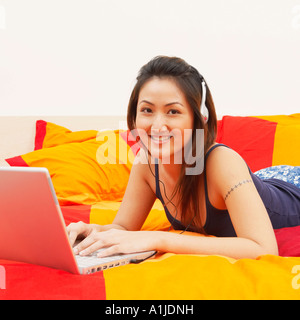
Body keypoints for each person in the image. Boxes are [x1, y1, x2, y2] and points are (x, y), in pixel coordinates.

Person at [67, 56, 300, 259]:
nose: (157, 126)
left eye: (173, 111)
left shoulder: (222, 162)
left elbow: (263, 248)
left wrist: (159, 240)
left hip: (292, 186)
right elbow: (123, 228)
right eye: (147, 110)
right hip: (264, 181)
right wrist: (92, 232)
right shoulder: (146, 163)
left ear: (200, 118)